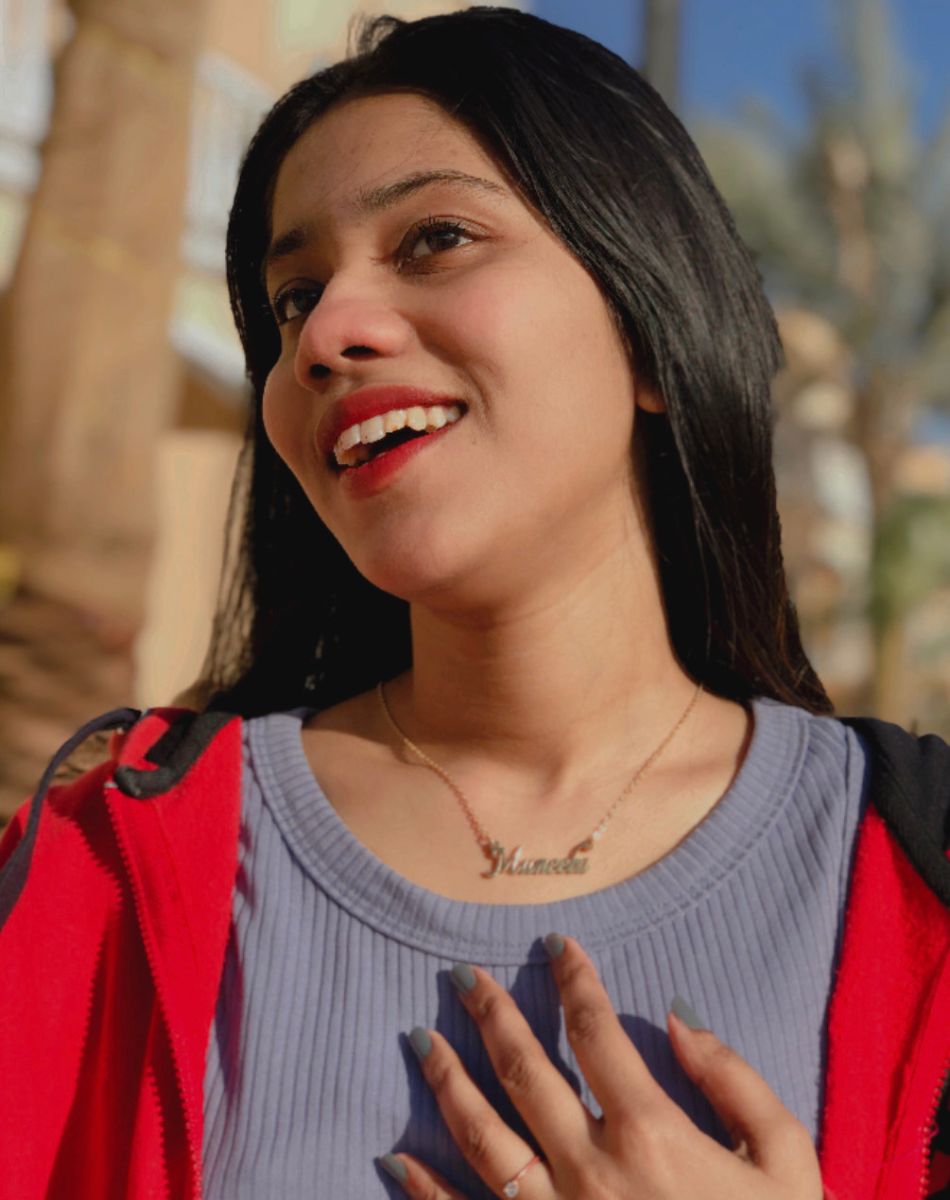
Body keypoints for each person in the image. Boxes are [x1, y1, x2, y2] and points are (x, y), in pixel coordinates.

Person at [0, 7, 947, 1200]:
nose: (326, 337)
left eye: (435, 238)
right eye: (291, 300)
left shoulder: (917, 868)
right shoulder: (96, 878)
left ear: (652, 334)